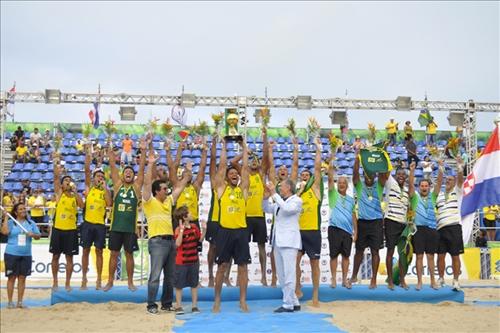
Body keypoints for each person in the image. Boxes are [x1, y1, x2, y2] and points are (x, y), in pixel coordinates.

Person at [103, 137, 147, 292]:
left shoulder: (136, 187)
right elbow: (113, 166)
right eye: (126, 171)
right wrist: (109, 149)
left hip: (130, 229)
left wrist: (143, 149)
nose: (128, 173)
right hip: (116, 227)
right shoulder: (117, 184)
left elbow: (141, 169)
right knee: (113, 254)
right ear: (122, 175)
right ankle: (109, 281)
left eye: (130, 172)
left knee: (129, 255)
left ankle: (130, 282)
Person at [212, 138, 250, 313]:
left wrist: (244, 147)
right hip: (225, 231)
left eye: (236, 173)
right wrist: (223, 146)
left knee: (242, 267)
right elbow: (220, 167)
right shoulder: (222, 189)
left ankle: (243, 300)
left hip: (241, 232)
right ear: (227, 177)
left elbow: (247, 170)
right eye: (231, 173)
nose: (234, 174)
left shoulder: (243, 190)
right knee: (222, 267)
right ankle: (217, 300)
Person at [230, 127, 269, 286]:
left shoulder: (260, 175)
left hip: (259, 216)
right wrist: (245, 151)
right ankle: (240, 277)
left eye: (256, 160)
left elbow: (266, 157)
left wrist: (265, 137)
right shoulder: (245, 174)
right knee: (241, 247)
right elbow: (233, 162)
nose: (254, 162)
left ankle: (264, 277)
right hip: (245, 217)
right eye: (252, 160)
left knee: (261, 248)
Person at [263, 179, 302, 313]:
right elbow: (266, 208)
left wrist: (274, 193)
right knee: (281, 274)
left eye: (282, 186)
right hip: (278, 242)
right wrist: (265, 197)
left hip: (290, 242)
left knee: (289, 273)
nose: (279, 188)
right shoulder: (279, 202)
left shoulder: (297, 200)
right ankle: (294, 301)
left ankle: (287, 304)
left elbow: (287, 208)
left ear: (289, 188)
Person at [350, 148, 385, 289]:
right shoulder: (359, 186)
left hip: (376, 222)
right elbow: (354, 175)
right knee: (359, 251)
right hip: (363, 222)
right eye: (366, 174)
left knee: (375, 251)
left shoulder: (380, 185)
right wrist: (357, 158)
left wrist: (382, 154)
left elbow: (384, 174)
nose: (368, 176)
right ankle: (353, 276)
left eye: (371, 174)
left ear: (375, 175)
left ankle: (374, 280)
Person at [50, 155, 84, 291]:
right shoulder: (59, 193)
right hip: (58, 229)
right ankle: (55, 282)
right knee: (55, 256)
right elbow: (56, 178)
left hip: (71, 230)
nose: (68, 182)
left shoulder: (75, 196)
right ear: (62, 184)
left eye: (70, 180)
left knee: (69, 258)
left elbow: (82, 206)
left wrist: (75, 192)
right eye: (66, 181)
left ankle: (68, 283)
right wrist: (56, 164)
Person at [80, 144, 112, 290]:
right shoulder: (89, 188)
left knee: (99, 251)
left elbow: (109, 203)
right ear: (93, 178)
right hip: (87, 223)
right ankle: (84, 279)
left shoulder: (104, 190)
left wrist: (105, 187)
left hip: (99, 224)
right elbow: (87, 170)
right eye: (98, 176)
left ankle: (99, 279)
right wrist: (88, 154)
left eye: (102, 176)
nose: (100, 178)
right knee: (85, 251)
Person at [295, 137, 322, 306]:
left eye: (307, 175)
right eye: (302, 175)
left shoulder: (315, 191)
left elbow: (318, 169)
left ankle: (315, 295)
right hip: (297, 232)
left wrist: (318, 150)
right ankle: (297, 288)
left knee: (314, 264)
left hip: (313, 231)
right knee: (295, 262)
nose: (304, 177)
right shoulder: (296, 194)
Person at [1, 203, 41, 309]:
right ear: (15, 212)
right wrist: (5, 217)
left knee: (22, 278)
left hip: (26, 254)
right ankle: (10, 302)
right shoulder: (11, 222)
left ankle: (20, 302)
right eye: (20, 209)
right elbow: (4, 232)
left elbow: (38, 236)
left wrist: (33, 235)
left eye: (24, 208)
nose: (23, 210)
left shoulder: (30, 223)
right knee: (11, 278)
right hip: (11, 253)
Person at [327, 153, 357, 289]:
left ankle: (344, 280)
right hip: (334, 229)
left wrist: (355, 231)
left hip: (347, 231)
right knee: (334, 256)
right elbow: (329, 180)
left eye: (344, 183)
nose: (341, 185)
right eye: (339, 183)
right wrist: (331, 164)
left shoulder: (351, 200)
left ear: (347, 185)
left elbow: (353, 216)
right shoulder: (333, 195)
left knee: (346, 257)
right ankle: (333, 279)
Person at [408, 161, 440, 290]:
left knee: (431, 256)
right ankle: (419, 282)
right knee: (419, 256)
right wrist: (412, 171)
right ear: (419, 187)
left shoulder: (433, 196)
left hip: (431, 229)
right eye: (422, 185)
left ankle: (433, 281)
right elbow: (410, 185)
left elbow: (439, 184)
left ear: (429, 187)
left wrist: (441, 168)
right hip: (418, 230)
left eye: (426, 185)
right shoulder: (415, 197)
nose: (424, 187)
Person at [435, 158, 465, 291]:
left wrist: (459, 166)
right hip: (441, 228)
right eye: (447, 180)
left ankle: (456, 281)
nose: (448, 182)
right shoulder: (439, 195)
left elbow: (460, 180)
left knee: (455, 255)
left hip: (454, 227)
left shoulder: (457, 192)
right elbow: (438, 182)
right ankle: (441, 279)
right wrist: (441, 168)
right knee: (440, 255)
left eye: (450, 180)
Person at [379, 167, 410, 290]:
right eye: (399, 174)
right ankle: (390, 280)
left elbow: (408, 208)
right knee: (390, 252)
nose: (401, 176)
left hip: (403, 224)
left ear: (406, 177)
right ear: (395, 175)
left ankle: (402, 280)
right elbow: (385, 170)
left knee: (403, 254)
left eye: (403, 174)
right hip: (391, 221)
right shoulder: (391, 183)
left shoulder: (407, 191)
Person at [175, 138, 208, 254]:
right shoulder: (178, 187)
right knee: (178, 250)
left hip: (193, 221)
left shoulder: (195, 187)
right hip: (179, 222)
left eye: (189, 173)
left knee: (195, 249)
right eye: (185, 173)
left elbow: (202, 169)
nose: (188, 174)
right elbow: (173, 167)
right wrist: (180, 148)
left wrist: (204, 151)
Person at [173, 206, 205, 315]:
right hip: (181, 262)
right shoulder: (178, 229)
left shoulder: (194, 227)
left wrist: (204, 229)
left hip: (194, 261)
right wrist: (182, 230)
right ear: (184, 217)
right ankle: (178, 306)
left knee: (194, 284)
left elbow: (199, 239)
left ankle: (194, 306)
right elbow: (177, 243)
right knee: (179, 285)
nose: (191, 214)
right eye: (189, 213)